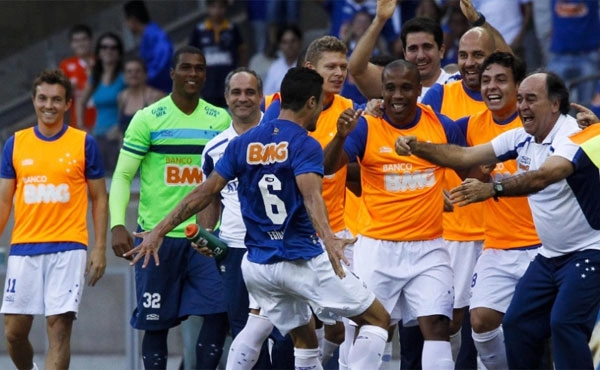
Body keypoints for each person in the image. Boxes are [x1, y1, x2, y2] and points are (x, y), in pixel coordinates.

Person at [124, 66, 391, 370]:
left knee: (303, 338)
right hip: (301, 259)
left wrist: (159, 229)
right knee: (378, 319)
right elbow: (312, 196)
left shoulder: (243, 143)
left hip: (259, 266)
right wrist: (329, 239)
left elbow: (205, 191)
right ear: (311, 103)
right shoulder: (305, 145)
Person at [396, 70, 600, 370]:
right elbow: (466, 157)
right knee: (518, 324)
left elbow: (545, 176)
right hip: (550, 256)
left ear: (555, 105)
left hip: (588, 251)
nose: (522, 107)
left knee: (564, 324)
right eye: (520, 100)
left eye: (531, 99)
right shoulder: (523, 137)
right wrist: (418, 147)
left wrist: (492, 189)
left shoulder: (573, 135)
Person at [324, 59, 466, 370]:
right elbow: (327, 167)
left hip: (429, 246)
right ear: (382, 91)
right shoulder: (367, 125)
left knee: (438, 327)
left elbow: (472, 165)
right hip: (378, 248)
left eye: (405, 88)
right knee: (374, 328)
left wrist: (490, 182)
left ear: (419, 89)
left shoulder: (441, 124)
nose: (397, 95)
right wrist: (339, 136)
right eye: (390, 88)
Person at [109, 46, 229, 370]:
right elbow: (122, 174)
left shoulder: (220, 120)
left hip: (205, 238)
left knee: (220, 313)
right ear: (172, 73)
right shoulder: (147, 118)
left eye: (200, 68)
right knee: (154, 323)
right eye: (186, 68)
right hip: (155, 240)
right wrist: (117, 223)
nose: (193, 74)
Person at [262, 35, 360, 369]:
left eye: (343, 67)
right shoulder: (279, 107)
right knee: (279, 326)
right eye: (330, 66)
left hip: (337, 228)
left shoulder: (348, 109)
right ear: (309, 69)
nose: (339, 73)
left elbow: (341, 167)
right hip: (291, 234)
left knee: (343, 324)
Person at [0, 69, 107, 370]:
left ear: (68, 104)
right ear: (33, 101)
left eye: (57, 99)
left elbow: (99, 197)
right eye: (43, 98)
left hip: (69, 247)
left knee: (59, 332)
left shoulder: (84, 143)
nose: (49, 105)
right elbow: (4, 199)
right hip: (24, 247)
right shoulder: (15, 144)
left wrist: (99, 247)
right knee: (13, 333)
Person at [197, 67, 273, 370]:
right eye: (236, 92)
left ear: (261, 96)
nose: (243, 98)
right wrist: (205, 234)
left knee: (283, 333)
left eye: (250, 92)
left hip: (278, 249)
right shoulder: (214, 148)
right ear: (226, 97)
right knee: (243, 329)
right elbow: (209, 196)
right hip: (234, 249)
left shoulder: (281, 136)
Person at [348, 0, 460, 103]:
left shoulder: (457, 82)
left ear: (441, 50)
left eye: (427, 47)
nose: (420, 55)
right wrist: (379, 20)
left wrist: (477, 21)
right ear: (405, 54)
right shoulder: (395, 89)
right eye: (413, 49)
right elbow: (356, 69)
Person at [77, 32, 126, 176]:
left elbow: (136, 104)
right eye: (104, 47)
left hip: (119, 137)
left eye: (113, 47)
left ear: (119, 52)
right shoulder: (95, 77)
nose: (108, 51)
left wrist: (122, 127)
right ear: (98, 51)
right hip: (98, 136)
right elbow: (81, 102)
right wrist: (82, 126)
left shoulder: (125, 76)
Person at [189, 0, 248, 108]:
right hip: (207, 85)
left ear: (225, 8)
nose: (217, 11)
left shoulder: (232, 29)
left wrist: (242, 72)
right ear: (208, 8)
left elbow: (242, 51)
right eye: (213, 7)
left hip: (228, 83)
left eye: (220, 7)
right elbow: (191, 55)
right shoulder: (199, 30)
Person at [123, 0, 174, 94]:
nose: (126, 25)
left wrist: (141, 78)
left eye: (126, 21)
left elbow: (163, 62)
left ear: (133, 19)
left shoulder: (155, 35)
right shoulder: (148, 36)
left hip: (164, 91)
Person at [59, 24, 97, 130]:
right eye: (76, 41)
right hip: (80, 121)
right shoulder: (65, 65)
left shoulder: (101, 61)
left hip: (102, 117)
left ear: (91, 40)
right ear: (71, 44)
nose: (80, 44)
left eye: (84, 39)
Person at [117, 56, 165, 133]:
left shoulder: (156, 96)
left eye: (137, 71)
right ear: (124, 76)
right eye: (129, 71)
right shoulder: (122, 97)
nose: (133, 74)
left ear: (145, 74)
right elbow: (121, 132)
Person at [263, 25, 303, 96]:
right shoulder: (274, 67)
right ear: (280, 45)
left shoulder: (306, 64)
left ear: (299, 42)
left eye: (293, 41)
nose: (289, 45)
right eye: (285, 42)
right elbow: (266, 95)